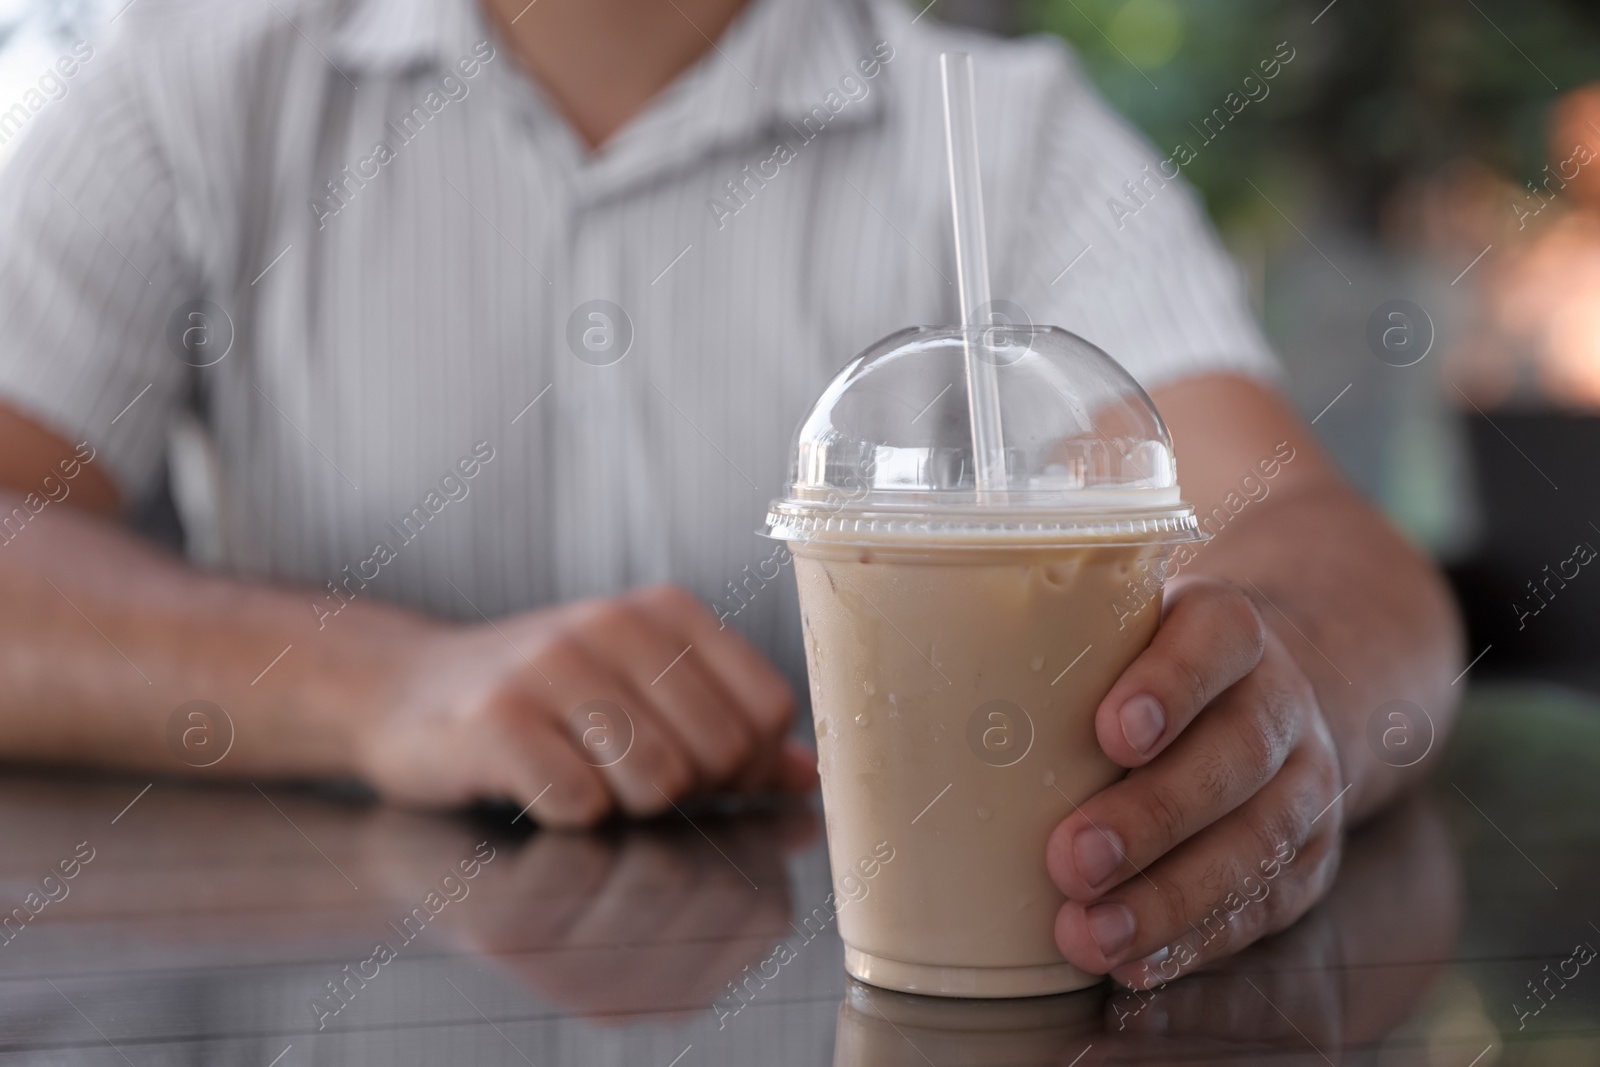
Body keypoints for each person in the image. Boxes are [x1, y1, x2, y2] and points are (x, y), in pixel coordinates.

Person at [0, 0, 1461, 988]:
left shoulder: (1005, 136)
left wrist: (1283, 716)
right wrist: (391, 685)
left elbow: (1330, 556)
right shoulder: (187, 84)